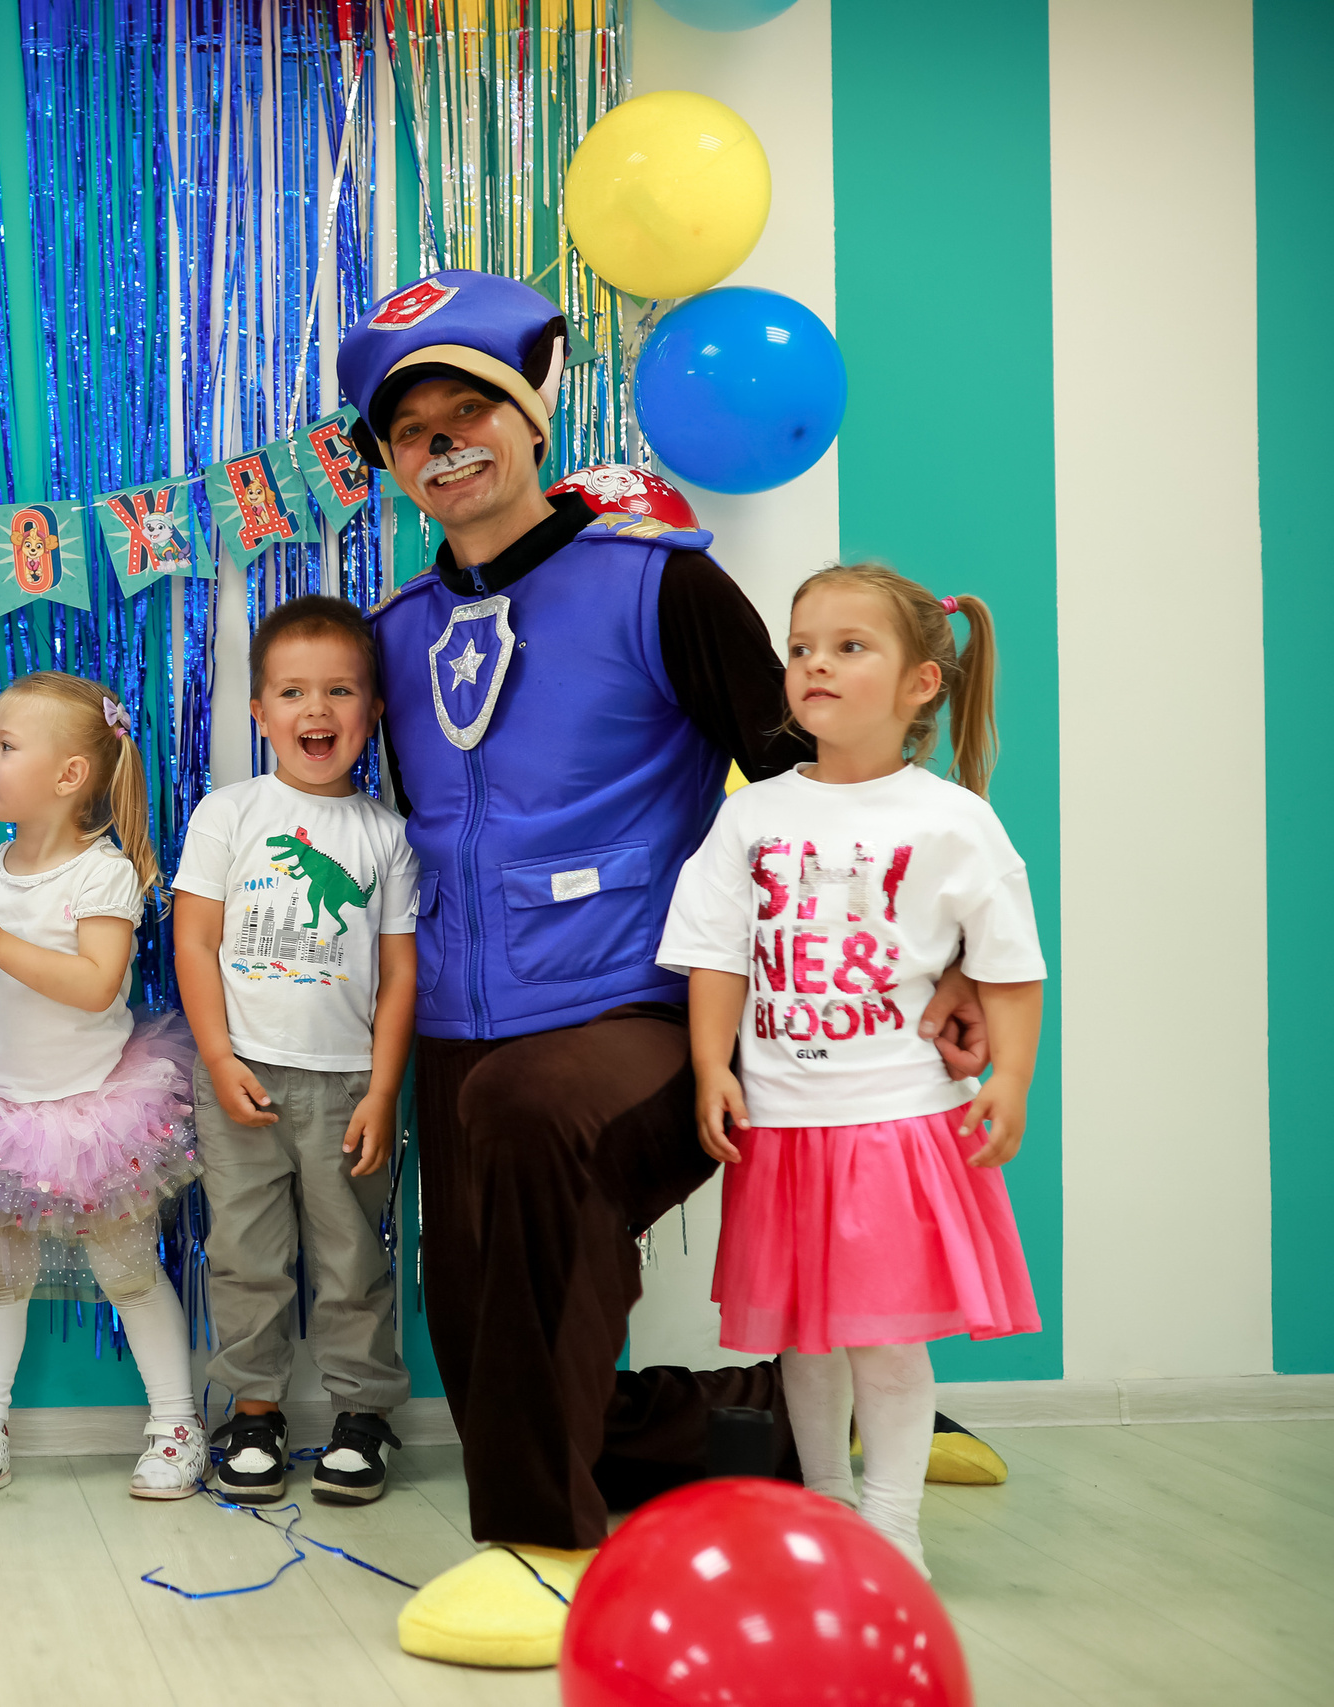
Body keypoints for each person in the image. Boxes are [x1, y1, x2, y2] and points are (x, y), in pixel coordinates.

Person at [337, 268, 1008, 1668]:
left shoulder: (664, 583)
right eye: (412, 427)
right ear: (388, 462)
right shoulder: (391, 635)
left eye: (473, 410)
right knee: (485, 1332)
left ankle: (543, 1546)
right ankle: (753, 1417)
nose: (445, 442)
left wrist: (930, 963)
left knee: (534, 1144)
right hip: (465, 1025)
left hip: (645, 1005)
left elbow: (813, 788)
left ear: (531, 423)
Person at [659, 566, 1043, 1576]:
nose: (814, 664)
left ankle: (892, 1526)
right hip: (783, 1124)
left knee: (882, 1341)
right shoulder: (752, 815)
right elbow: (717, 951)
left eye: (847, 647)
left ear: (921, 683)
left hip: (895, 1123)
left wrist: (1009, 1079)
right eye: (800, 648)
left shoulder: (951, 819)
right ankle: (823, 1507)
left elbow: (1009, 965)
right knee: (803, 1340)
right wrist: (712, 1066)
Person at [0, 671, 207, 1506]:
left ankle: (176, 1423)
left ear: (70, 776)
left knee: (128, 1269)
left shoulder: (103, 872)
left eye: (6, 745)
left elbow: (93, 984)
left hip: (93, 1112)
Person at [171, 595, 420, 1505]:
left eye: (340, 691)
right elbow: (194, 941)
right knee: (244, 1252)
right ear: (260, 710)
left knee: (354, 1254)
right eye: (293, 691)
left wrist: (383, 1091)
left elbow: (399, 975)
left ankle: (363, 1415)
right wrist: (218, 1053)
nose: (317, 711)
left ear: (374, 712)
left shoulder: (388, 838)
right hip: (240, 1075)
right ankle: (256, 1410)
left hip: (347, 1083)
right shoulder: (227, 814)